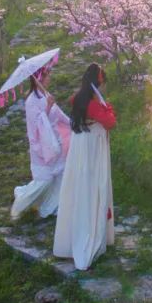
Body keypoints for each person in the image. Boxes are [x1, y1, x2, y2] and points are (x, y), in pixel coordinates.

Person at [53, 63, 116, 270]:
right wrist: (108, 108)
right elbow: (110, 122)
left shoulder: (78, 98)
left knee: (80, 183)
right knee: (92, 185)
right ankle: (89, 232)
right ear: (98, 82)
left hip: (82, 143)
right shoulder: (92, 103)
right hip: (92, 146)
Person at [11, 67, 72, 219]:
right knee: (44, 180)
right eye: (47, 76)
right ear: (39, 79)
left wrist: (73, 124)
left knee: (60, 176)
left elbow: (59, 115)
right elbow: (36, 126)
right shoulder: (31, 101)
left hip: (55, 141)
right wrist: (48, 106)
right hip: (42, 145)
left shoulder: (46, 95)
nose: (49, 78)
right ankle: (21, 201)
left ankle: (52, 206)